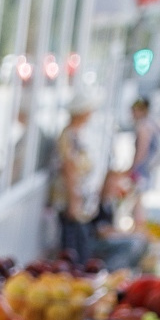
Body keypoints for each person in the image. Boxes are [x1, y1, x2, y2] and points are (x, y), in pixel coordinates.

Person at [55, 91, 100, 262]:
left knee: (79, 242)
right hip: (71, 199)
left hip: (78, 198)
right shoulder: (69, 136)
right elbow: (69, 168)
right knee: (74, 245)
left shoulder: (75, 134)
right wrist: (74, 202)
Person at [124, 96, 160, 224]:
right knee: (138, 199)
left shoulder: (143, 126)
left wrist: (132, 167)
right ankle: (139, 226)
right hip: (146, 168)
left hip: (142, 168)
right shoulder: (151, 123)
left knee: (137, 198)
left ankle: (138, 226)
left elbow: (142, 150)